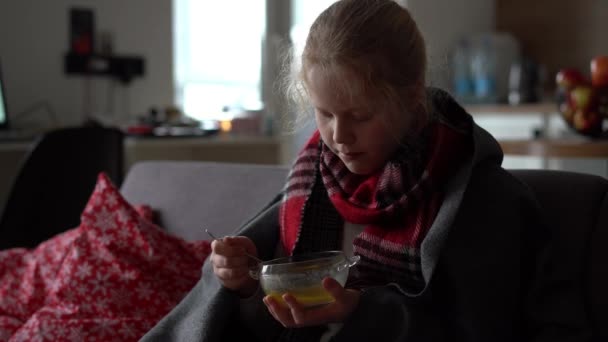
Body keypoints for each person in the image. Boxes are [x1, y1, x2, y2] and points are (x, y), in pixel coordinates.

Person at [141, 0, 590, 341]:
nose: (339, 137)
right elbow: (273, 324)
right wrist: (240, 285)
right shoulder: (310, 181)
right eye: (324, 113)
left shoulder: (482, 199)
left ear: (412, 98)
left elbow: (483, 328)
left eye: (360, 115)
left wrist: (362, 311)